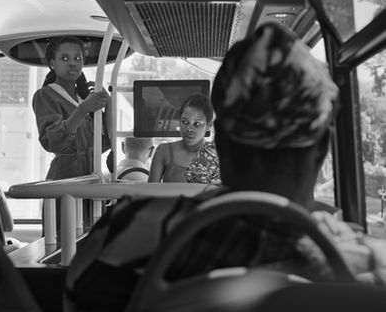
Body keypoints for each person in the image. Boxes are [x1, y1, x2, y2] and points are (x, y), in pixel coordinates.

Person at [65, 23, 386, 312]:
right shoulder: (356, 262)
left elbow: (76, 297)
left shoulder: (127, 227)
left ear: (221, 142)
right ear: (321, 149)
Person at [32, 36, 111, 230]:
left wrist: (106, 107)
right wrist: (83, 109)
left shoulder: (82, 97)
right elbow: (54, 141)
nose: (73, 63)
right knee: (63, 244)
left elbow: (103, 144)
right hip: (65, 179)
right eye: (65, 58)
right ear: (52, 63)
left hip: (91, 179)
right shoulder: (45, 95)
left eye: (78, 58)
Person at [148, 94, 220, 184]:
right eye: (185, 122)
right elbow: (151, 192)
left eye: (197, 124)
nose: (189, 129)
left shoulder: (218, 156)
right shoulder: (164, 151)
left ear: (208, 125)